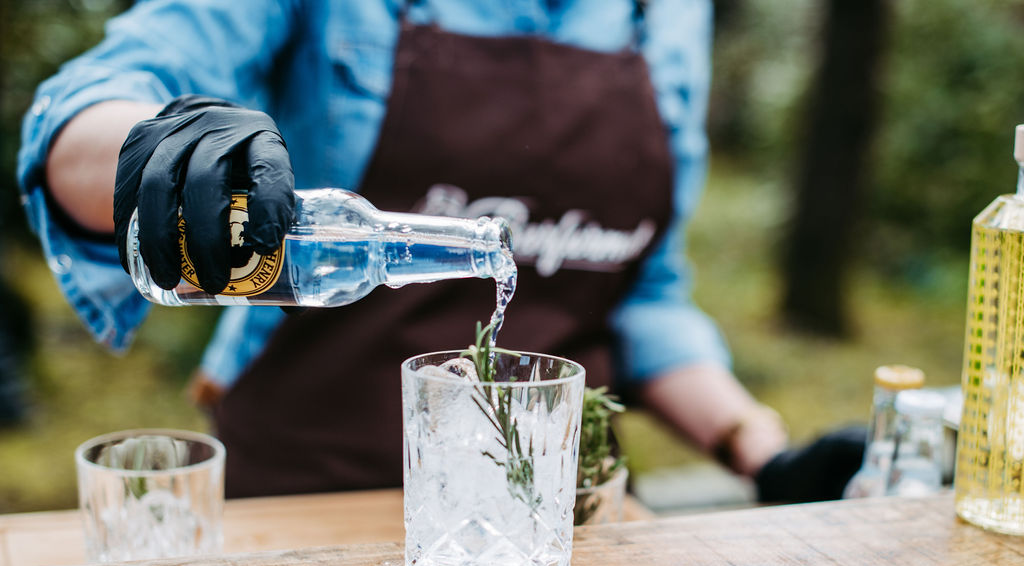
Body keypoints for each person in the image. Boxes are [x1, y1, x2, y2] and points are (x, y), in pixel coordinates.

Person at [20, 0, 792, 498]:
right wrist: (165, 147)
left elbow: (644, 295)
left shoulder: (667, 16)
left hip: (553, 519)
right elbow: (84, 110)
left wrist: (762, 450)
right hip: (307, 495)